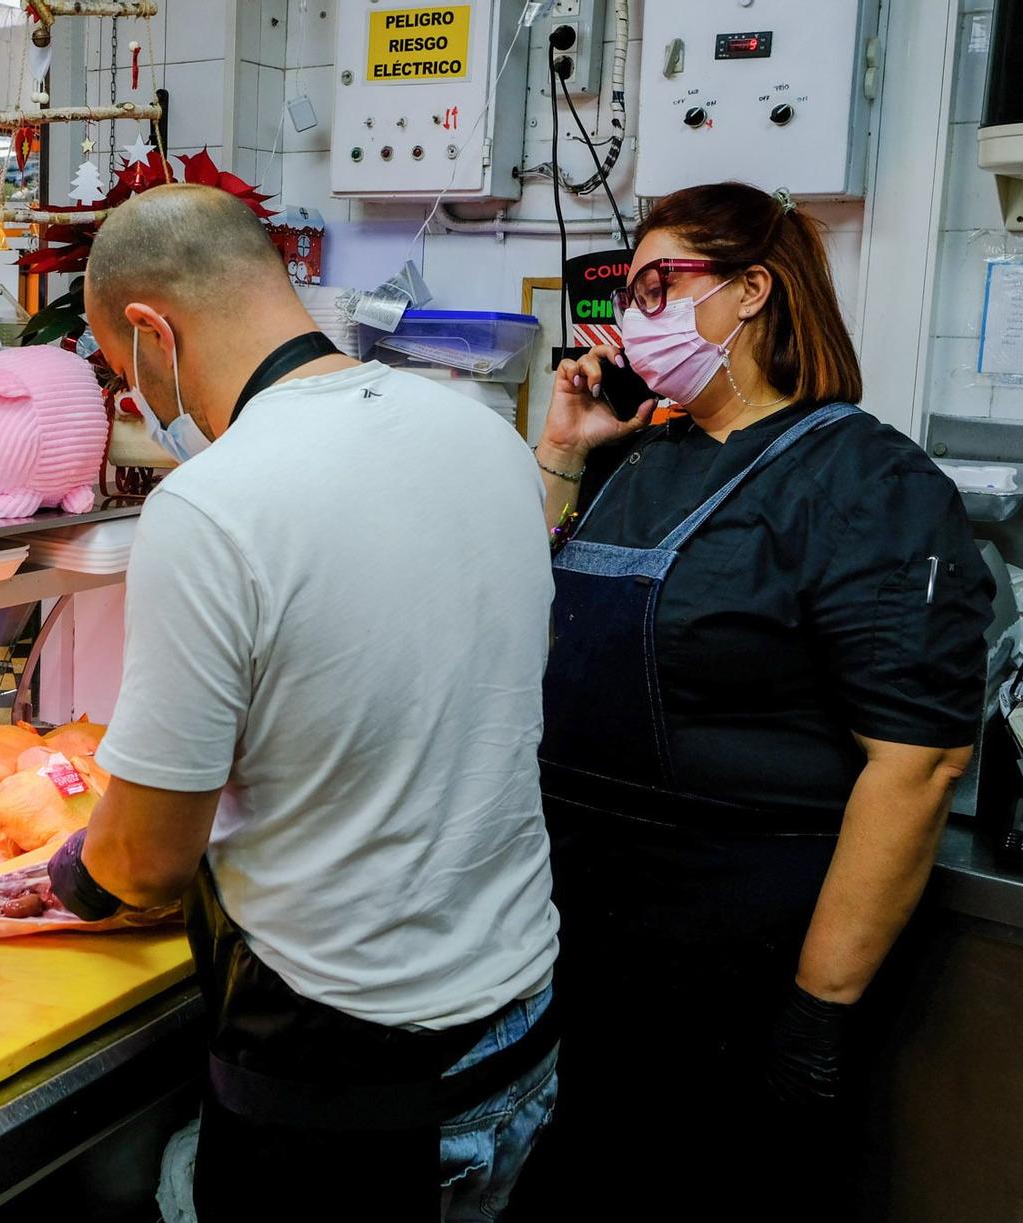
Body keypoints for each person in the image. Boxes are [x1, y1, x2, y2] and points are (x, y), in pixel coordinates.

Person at [50, 185, 560, 1220]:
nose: (138, 399)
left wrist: (71, 872)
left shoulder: (213, 502)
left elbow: (145, 863)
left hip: (349, 1084)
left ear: (150, 329)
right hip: (518, 1024)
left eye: (120, 373)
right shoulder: (483, 435)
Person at [510, 182, 994, 1219]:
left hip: (736, 966)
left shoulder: (867, 483)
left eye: (657, 283)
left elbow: (915, 765)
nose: (633, 311)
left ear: (750, 292)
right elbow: (511, 613)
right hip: (575, 944)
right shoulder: (633, 456)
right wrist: (557, 451)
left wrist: (815, 1011)